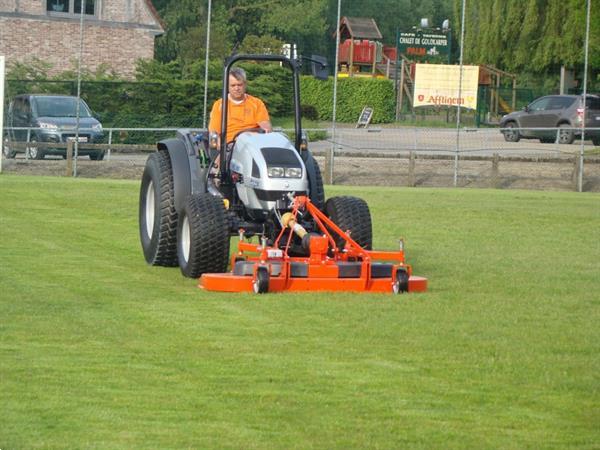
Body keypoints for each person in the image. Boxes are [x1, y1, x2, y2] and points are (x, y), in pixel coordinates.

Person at [208, 67, 272, 145]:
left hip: (253, 144)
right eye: (233, 85)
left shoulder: (257, 103)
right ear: (227, 86)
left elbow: (266, 127)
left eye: (239, 85)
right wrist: (220, 147)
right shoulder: (219, 105)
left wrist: (264, 131)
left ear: (245, 84)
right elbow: (214, 134)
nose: (236, 88)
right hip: (230, 147)